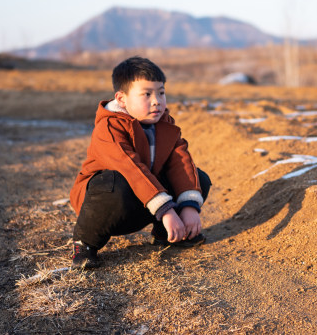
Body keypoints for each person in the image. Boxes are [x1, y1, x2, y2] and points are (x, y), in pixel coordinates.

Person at [69, 56, 211, 269]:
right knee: (114, 183)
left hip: (146, 200)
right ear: (122, 98)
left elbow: (181, 163)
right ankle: (85, 244)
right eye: (146, 94)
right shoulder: (109, 127)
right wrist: (167, 210)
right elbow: (131, 169)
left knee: (198, 178)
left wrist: (188, 206)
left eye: (161, 93)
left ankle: (169, 233)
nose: (157, 101)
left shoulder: (164, 124)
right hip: (109, 204)